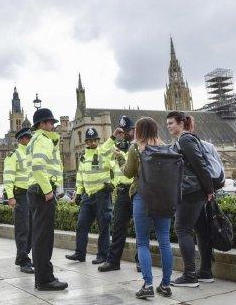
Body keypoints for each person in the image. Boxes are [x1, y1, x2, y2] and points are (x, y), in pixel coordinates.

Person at [126, 117, 173, 299]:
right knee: (164, 241)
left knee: (143, 242)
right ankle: (166, 285)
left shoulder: (135, 148)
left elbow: (128, 172)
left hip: (142, 197)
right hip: (164, 199)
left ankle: (148, 284)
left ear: (138, 131)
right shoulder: (166, 147)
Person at [167, 111, 214, 287]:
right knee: (201, 230)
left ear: (181, 123)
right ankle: (205, 272)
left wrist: (209, 189)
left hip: (190, 191)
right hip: (196, 190)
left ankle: (189, 275)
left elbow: (200, 164)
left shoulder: (185, 140)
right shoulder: (185, 140)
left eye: (171, 123)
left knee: (182, 229)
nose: (169, 126)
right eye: (168, 124)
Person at [26, 108, 68, 291]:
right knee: (44, 239)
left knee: (40, 237)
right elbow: (37, 167)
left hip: (36, 191)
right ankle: (45, 280)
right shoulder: (43, 139)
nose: (53, 125)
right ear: (41, 124)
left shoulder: (37, 140)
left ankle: (43, 277)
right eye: (50, 122)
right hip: (42, 192)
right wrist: (48, 191)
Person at [65, 128, 114, 265]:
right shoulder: (83, 157)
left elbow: (115, 169)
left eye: (94, 140)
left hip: (102, 194)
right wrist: (79, 193)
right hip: (87, 196)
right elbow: (80, 177)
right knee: (81, 225)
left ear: (98, 141)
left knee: (103, 227)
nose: (92, 143)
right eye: (89, 140)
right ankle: (80, 254)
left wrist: (113, 184)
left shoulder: (103, 153)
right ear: (86, 142)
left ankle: (102, 255)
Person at [98, 115, 140, 273]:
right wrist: (113, 137)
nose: (127, 133)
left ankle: (141, 262)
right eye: (124, 131)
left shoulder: (140, 144)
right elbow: (101, 155)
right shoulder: (117, 145)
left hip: (137, 191)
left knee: (140, 229)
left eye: (128, 130)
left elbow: (134, 165)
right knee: (118, 229)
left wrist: (121, 156)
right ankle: (113, 261)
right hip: (123, 191)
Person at [3, 127, 34, 274]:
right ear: (21, 140)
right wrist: (10, 196)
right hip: (20, 195)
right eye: (28, 138)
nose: (30, 140)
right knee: (23, 229)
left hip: (31, 195)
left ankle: (22, 255)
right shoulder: (13, 155)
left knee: (32, 228)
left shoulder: (32, 155)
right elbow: (8, 177)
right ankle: (23, 261)